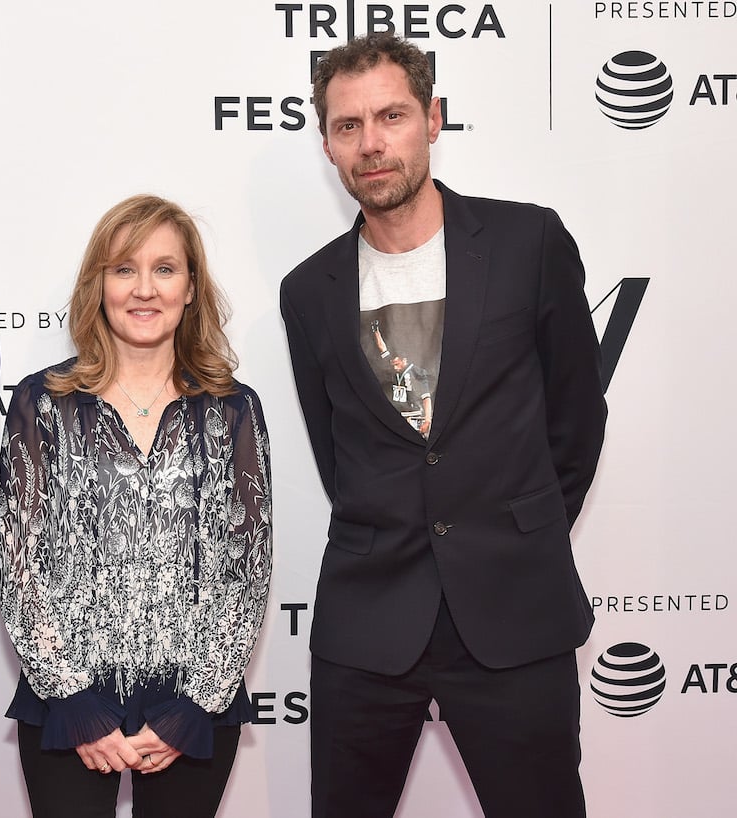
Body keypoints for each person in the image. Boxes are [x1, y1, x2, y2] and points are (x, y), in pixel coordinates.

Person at [279, 33, 607, 818]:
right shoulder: (308, 290)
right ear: (326, 143)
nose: (372, 142)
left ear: (432, 118)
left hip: (513, 612)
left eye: (390, 116)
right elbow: (338, 453)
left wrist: (513, 530)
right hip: (368, 623)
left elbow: (576, 419)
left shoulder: (528, 242)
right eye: (348, 125)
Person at [0, 194, 272, 818]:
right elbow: (21, 566)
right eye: (124, 269)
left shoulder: (233, 409)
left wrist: (194, 705)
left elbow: (248, 572)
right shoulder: (43, 403)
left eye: (164, 269)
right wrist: (75, 703)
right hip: (67, 699)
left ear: (191, 287)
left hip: (195, 702)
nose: (144, 289)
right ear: (99, 285)